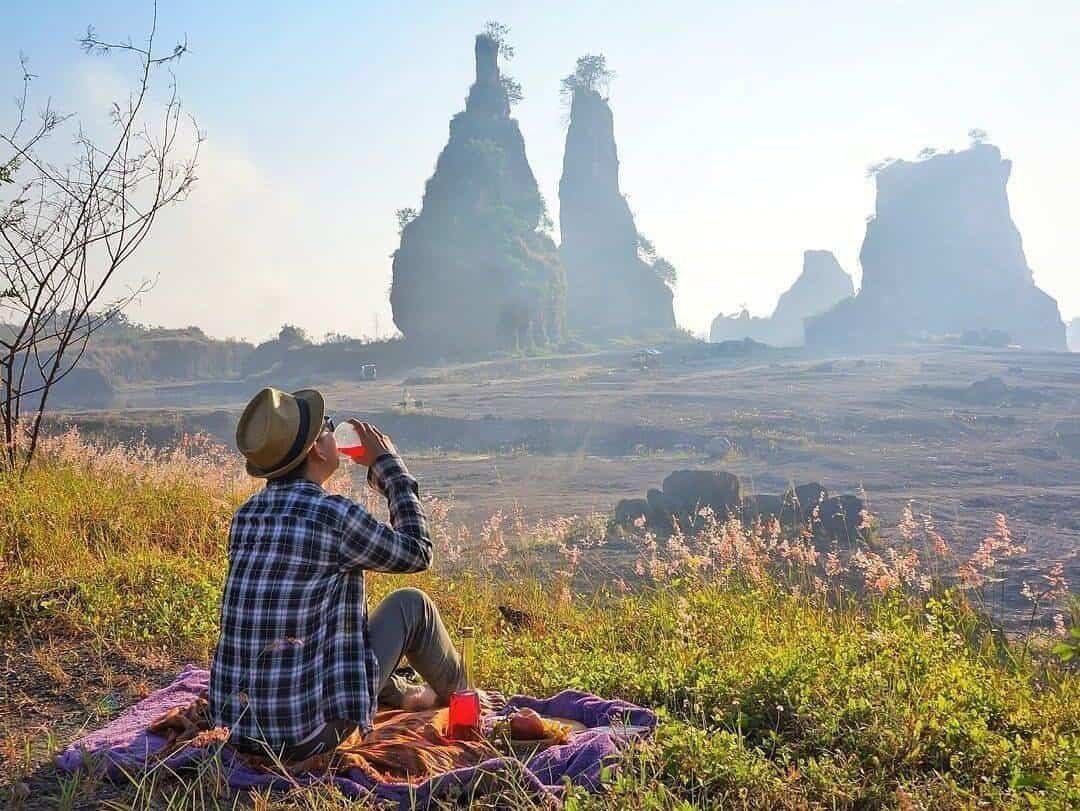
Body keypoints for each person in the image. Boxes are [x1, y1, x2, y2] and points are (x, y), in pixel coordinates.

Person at [210, 386, 475, 760]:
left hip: (235, 726)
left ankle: (403, 694)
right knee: (411, 606)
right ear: (318, 449)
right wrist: (388, 466)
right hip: (305, 737)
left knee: (340, 623)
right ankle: (468, 705)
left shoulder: (246, 515)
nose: (335, 432)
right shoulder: (332, 515)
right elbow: (417, 551)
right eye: (329, 426)